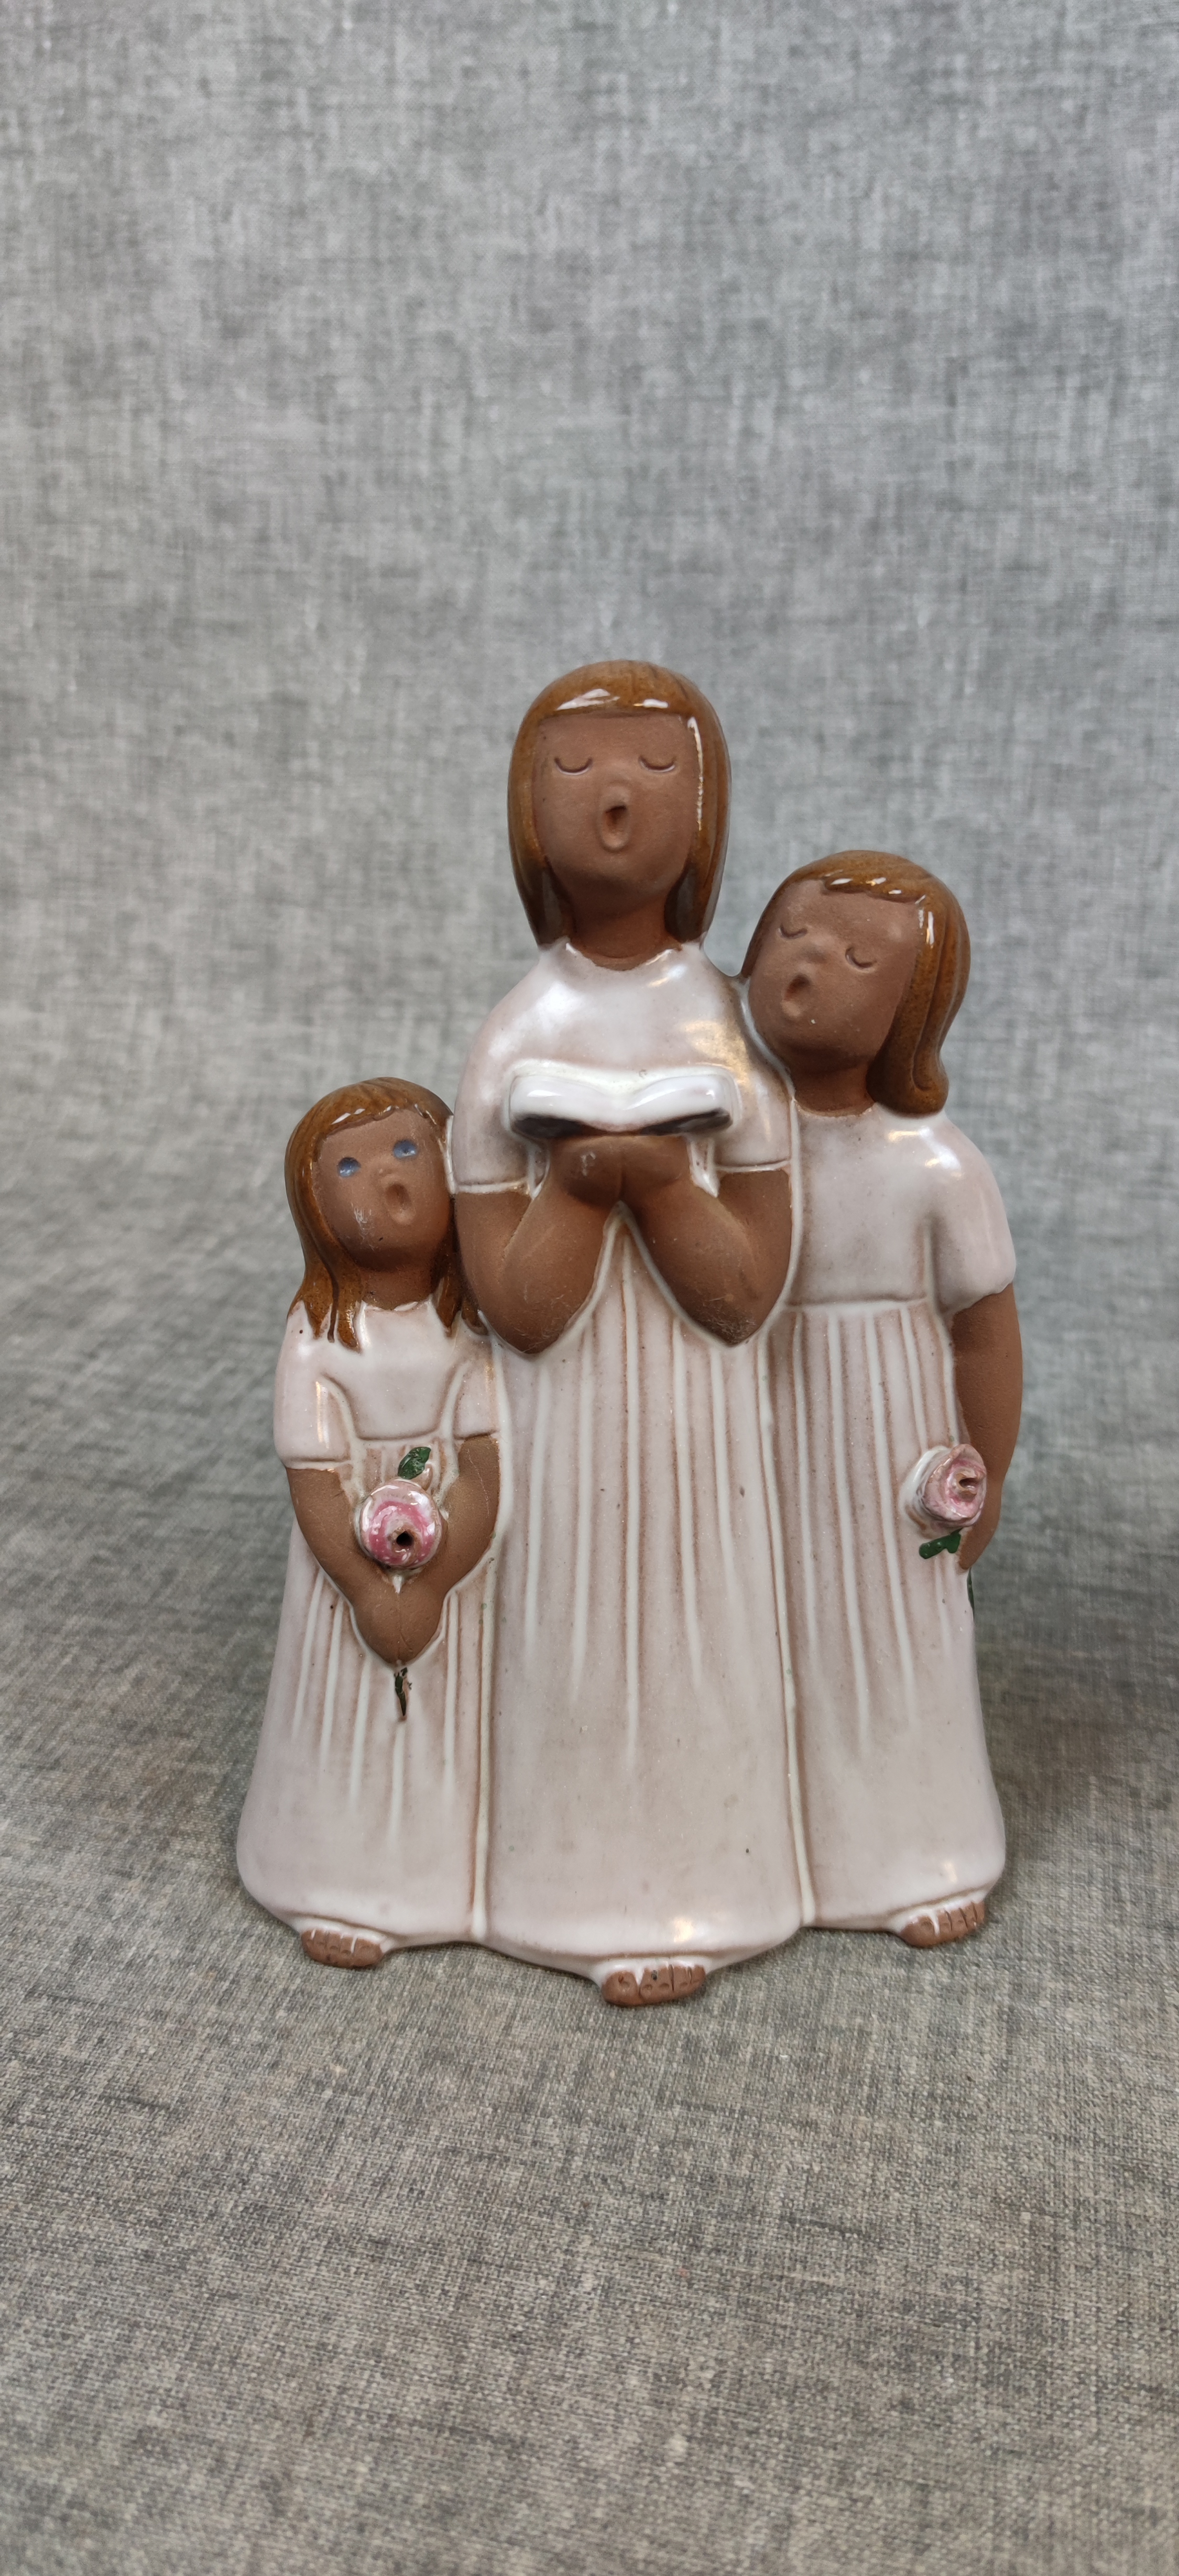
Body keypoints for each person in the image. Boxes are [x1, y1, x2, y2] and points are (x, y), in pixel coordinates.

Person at [452, 661, 807, 2005]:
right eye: (575, 770)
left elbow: (747, 1295)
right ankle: (560, 1886)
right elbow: (520, 1312)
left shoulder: (730, 1029)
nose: (614, 800)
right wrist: (585, 1194)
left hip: (701, 1416)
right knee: (570, 1639)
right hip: (563, 1421)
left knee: (703, 1636)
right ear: (525, 816)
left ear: (705, 816)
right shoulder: (515, 1035)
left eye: (656, 772)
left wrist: (662, 1187)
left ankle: (720, 1880)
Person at [743, 853, 1022, 1945]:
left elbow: (984, 1334)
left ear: (913, 1012)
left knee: (894, 1640)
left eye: (859, 959)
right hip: (755, 1421)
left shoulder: (936, 1167)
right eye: (792, 935)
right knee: (759, 1635)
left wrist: (983, 1474)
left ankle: (916, 1852)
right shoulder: (726, 1144)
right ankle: (755, 1850)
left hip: (883, 1439)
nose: (809, 965)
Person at [236, 1079, 500, 1968]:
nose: (385, 1178)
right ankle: (337, 1879)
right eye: (347, 1167)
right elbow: (316, 1479)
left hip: (455, 1561)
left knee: (457, 1716)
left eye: (408, 1151)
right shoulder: (317, 1336)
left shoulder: (472, 1329)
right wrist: (365, 1591)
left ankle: (467, 1874)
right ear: (313, 1207)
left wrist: (437, 1580)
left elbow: (485, 1466)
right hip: (347, 1575)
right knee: (354, 1718)